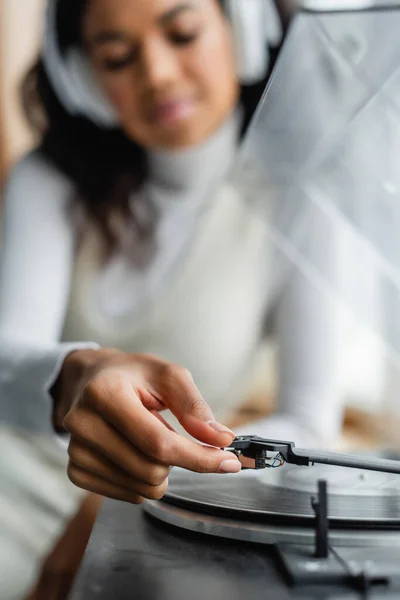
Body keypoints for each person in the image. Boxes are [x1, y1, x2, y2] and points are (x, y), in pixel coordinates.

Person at [0, 0, 342, 511]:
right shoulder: (49, 180)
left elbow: (309, 420)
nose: (157, 75)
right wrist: (74, 373)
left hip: (161, 496)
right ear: (82, 79)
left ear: (244, 31)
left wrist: (160, 482)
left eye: (182, 35)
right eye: (117, 58)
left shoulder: (303, 198)